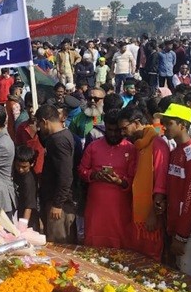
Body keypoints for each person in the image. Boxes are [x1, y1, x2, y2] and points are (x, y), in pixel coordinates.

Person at [159, 104, 191, 278]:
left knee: (188, 275)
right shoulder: (176, 151)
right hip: (176, 225)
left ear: (182, 125)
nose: (164, 127)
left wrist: (182, 236)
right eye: (163, 123)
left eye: (169, 123)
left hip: (190, 230)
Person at [78, 109, 136, 248]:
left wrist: (120, 181)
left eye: (117, 130)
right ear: (105, 128)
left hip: (120, 208)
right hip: (96, 206)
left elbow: (134, 178)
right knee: (93, 246)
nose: (114, 134)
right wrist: (94, 175)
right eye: (110, 130)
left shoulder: (131, 149)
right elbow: (81, 170)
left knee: (120, 247)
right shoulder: (93, 146)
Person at [118, 106, 169, 261]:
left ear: (137, 123)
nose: (122, 133)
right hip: (138, 212)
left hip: (151, 213)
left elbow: (161, 181)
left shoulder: (158, 144)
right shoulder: (139, 145)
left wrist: (152, 213)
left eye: (124, 128)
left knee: (151, 258)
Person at [35, 104, 77, 244]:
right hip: (54, 199)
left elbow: (65, 175)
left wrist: (58, 204)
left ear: (44, 121)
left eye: (40, 125)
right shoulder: (59, 136)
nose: (40, 128)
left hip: (59, 204)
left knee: (58, 246)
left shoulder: (59, 141)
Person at [13, 145, 39, 230]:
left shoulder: (29, 181)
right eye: (18, 165)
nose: (20, 169)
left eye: (24, 167)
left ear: (32, 164)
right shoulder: (16, 173)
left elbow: (29, 207)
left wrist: (23, 227)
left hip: (28, 220)